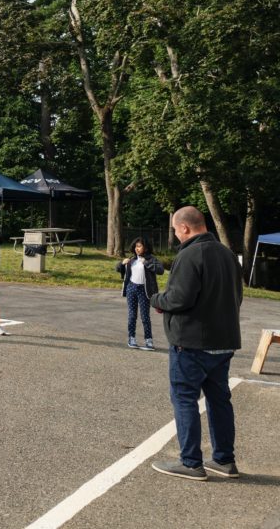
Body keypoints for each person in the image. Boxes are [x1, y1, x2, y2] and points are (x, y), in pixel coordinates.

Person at [149, 206, 242, 481]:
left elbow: (179, 298)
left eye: (176, 230)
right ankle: (224, 460)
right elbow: (237, 296)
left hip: (191, 342)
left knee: (185, 398)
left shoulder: (190, 254)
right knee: (219, 400)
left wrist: (156, 300)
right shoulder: (227, 254)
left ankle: (191, 462)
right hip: (224, 340)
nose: (177, 235)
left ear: (185, 228)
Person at [115, 236, 164, 350]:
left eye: (140, 246)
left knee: (145, 316)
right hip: (131, 288)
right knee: (132, 315)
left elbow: (160, 270)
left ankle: (149, 341)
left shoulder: (151, 259)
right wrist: (122, 263)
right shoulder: (132, 259)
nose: (137, 248)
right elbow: (118, 269)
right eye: (136, 246)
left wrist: (146, 263)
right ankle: (131, 338)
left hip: (144, 290)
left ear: (145, 248)